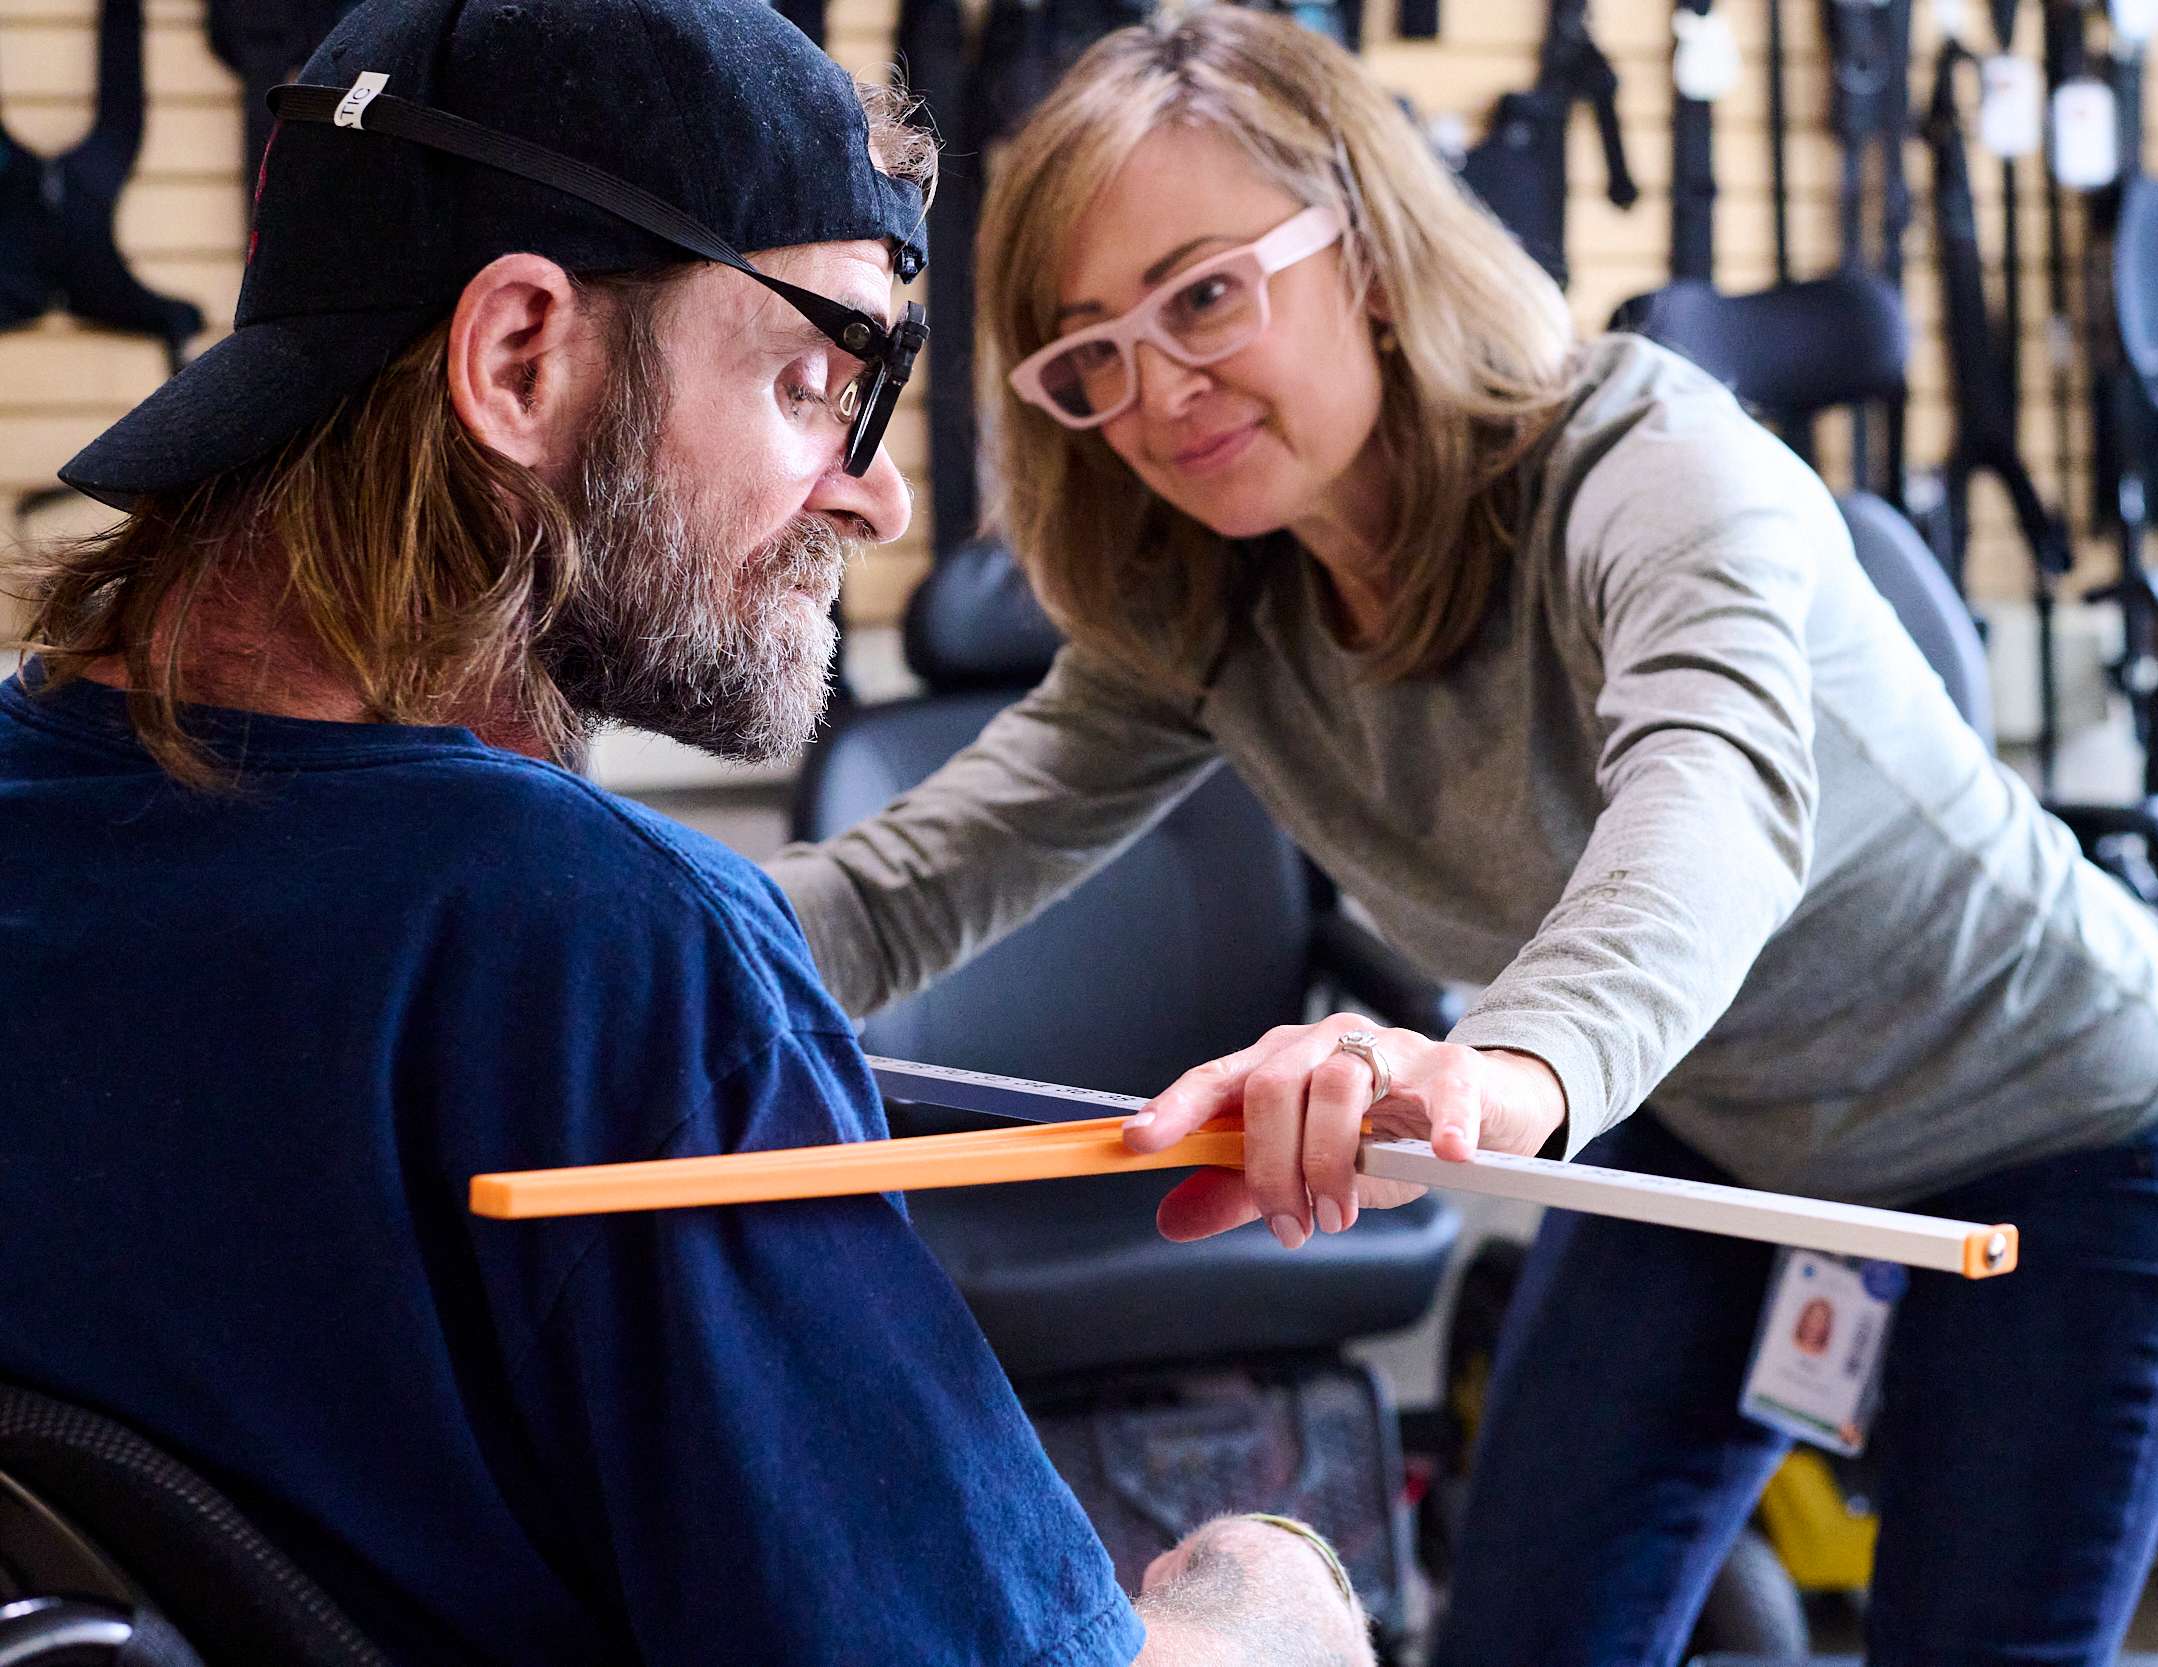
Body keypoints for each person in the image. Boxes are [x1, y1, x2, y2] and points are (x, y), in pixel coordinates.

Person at [765, 10, 2158, 1665]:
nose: (1159, 389)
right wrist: (600, 934)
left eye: (1204, 294)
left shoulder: (1655, 467)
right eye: (1089, 353)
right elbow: (908, 885)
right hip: (1717, 1133)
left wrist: (1502, 1069)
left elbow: (1713, 800)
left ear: (1372, 253)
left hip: (2059, 1126)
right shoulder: (1205, 601)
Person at [0, 3, 1370, 1663]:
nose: (880, 496)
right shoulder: (601, 957)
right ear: (520, 357)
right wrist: (1275, 1592)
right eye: (815, 380)